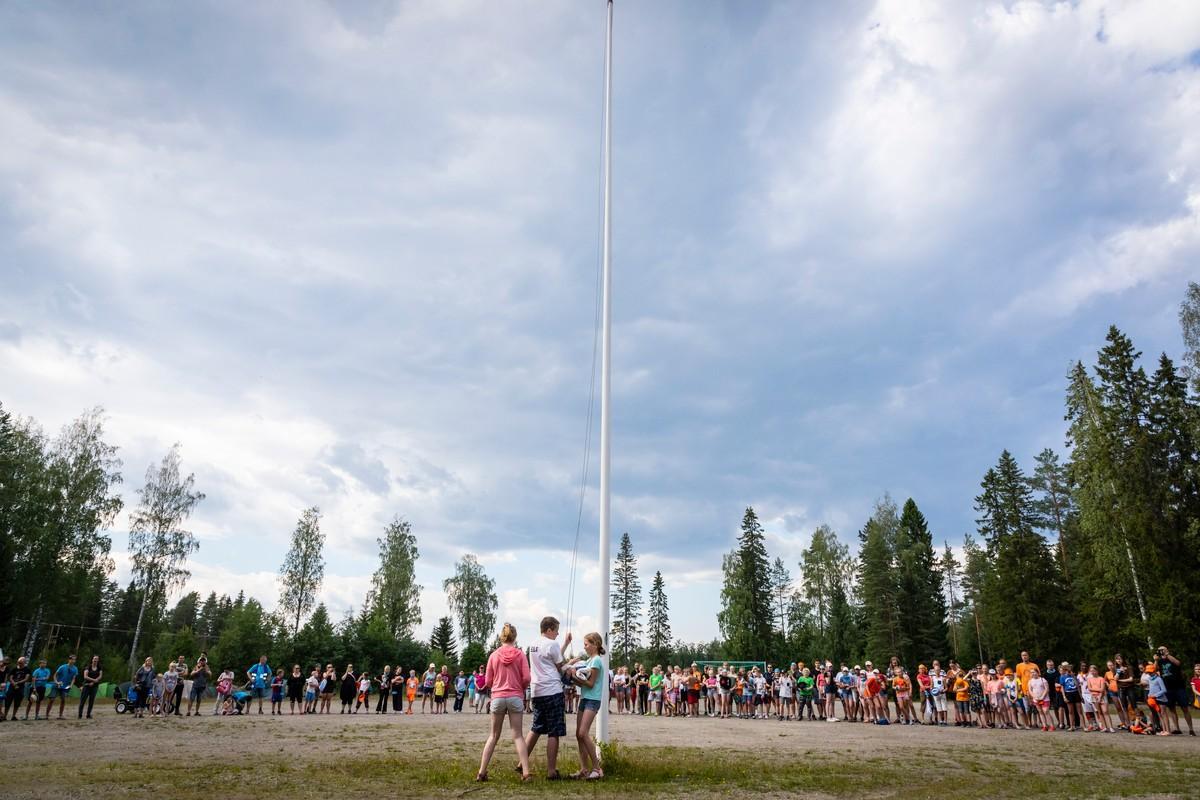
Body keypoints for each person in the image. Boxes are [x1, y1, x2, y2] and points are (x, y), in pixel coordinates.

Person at [475, 623, 533, 782]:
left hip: (498, 697)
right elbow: (527, 678)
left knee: (493, 735)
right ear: (515, 637)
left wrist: (497, 687)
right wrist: (519, 687)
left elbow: (488, 681)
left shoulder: (493, 655)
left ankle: (482, 772)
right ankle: (526, 772)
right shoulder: (520, 654)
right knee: (518, 736)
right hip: (515, 696)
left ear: (502, 636)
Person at [523, 616, 572, 780]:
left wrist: (564, 644)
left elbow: (550, 658)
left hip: (537, 691)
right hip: (552, 690)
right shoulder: (552, 644)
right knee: (554, 731)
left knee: (536, 727)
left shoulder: (533, 645)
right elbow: (560, 665)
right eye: (556, 630)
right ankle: (551, 771)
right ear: (549, 629)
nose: (558, 634)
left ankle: (521, 764)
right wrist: (571, 668)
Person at [565, 632, 605, 780]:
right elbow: (582, 683)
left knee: (583, 733)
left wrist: (575, 675)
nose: (584, 646)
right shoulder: (589, 661)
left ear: (595, 644)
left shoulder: (596, 662)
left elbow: (590, 683)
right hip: (585, 698)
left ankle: (597, 768)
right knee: (578, 734)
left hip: (592, 700)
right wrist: (571, 677)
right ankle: (584, 769)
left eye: (586, 644)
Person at [1155, 645, 1195, 736]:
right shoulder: (1160, 661)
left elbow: (1178, 663)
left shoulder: (1172, 657)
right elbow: (1154, 669)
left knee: (1185, 708)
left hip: (1179, 687)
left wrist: (1167, 654)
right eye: (1159, 650)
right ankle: (1177, 728)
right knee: (1171, 708)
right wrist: (1156, 659)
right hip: (1168, 688)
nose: (1161, 651)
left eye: (1162, 650)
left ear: (1167, 650)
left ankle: (1191, 729)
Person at [50, 654, 79, 720]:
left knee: (63, 700)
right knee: (52, 699)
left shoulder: (75, 669)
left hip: (65, 687)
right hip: (57, 685)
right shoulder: (62, 667)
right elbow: (55, 675)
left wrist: (71, 685)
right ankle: (46, 715)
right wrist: (56, 682)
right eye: (72, 659)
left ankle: (60, 715)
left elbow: (74, 678)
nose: (73, 661)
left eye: (75, 659)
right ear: (69, 660)